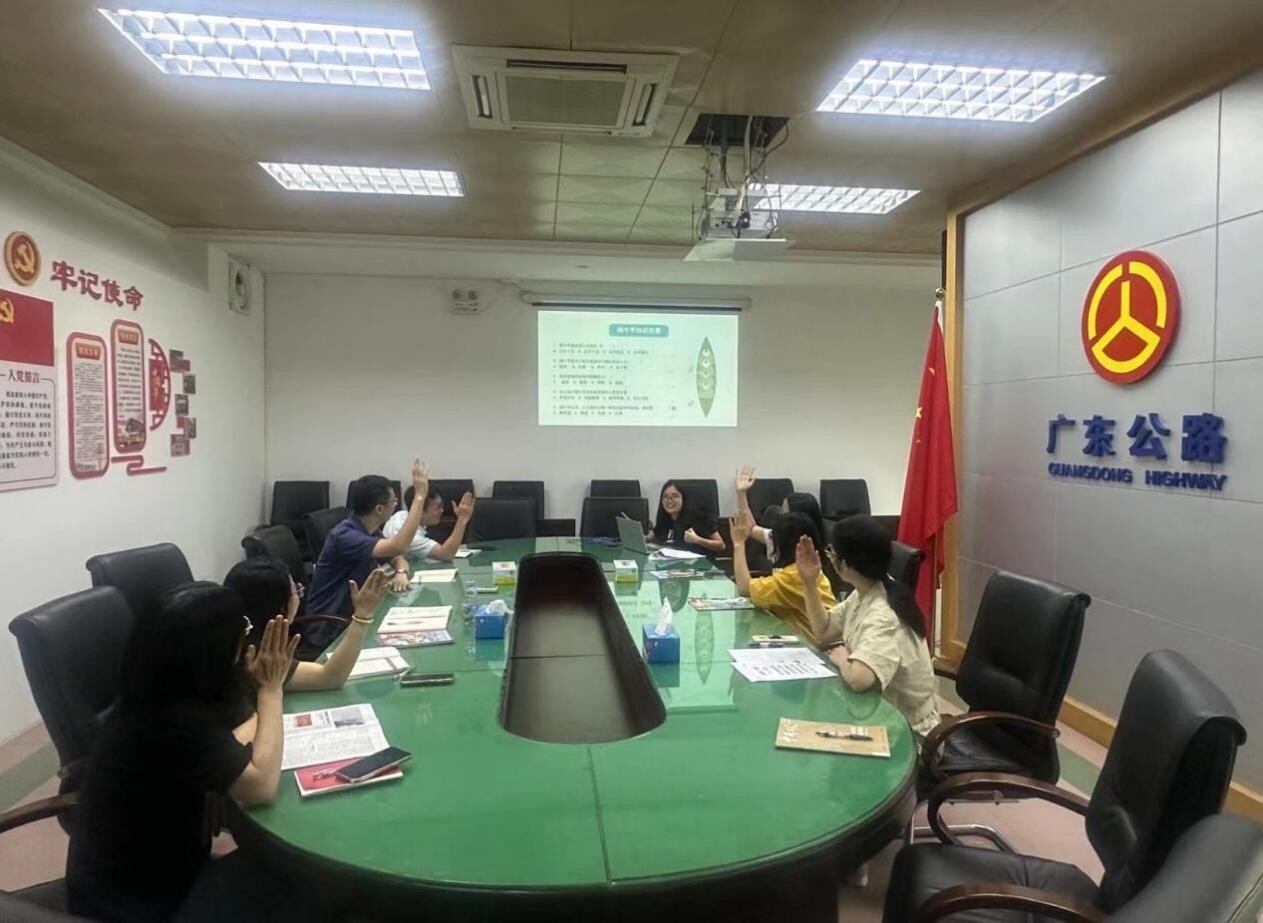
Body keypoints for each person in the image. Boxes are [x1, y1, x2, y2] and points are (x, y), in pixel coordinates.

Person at [67, 583, 301, 922]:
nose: (245, 637)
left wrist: (248, 687)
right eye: (243, 629)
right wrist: (271, 690)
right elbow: (260, 786)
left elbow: (238, 732)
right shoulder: (172, 723)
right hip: (141, 905)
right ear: (216, 651)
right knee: (303, 882)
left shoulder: (158, 692)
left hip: (155, 874)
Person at [797, 515, 940, 738]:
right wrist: (808, 582)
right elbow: (823, 631)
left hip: (909, 735)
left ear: (847, 565)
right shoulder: (866, 592)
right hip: (876, 715)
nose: (829, 557)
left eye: (832, 552)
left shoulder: (884, 614)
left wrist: (843, 659)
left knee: (808, 736)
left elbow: (859, 679)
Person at [224, 558, 388, 725]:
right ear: (281, 606)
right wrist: (362, 615)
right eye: (296, 591)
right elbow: (330, 678)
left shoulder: (233, 639)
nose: (299, 595)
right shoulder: (260, 654)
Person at [305, 460, 429, 640]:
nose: (396, 505)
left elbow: (396, 555)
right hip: (331, 627)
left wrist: (401, 572)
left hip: (357, 615)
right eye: (394, 501)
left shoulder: (368, 530)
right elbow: (398, 546)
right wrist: (419, 497)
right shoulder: (345, 536)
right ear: (379, 509)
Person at [729, 508, 836, 641]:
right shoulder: (806, 569)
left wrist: (738, 544)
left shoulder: (792, 576)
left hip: (814, 646)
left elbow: (745, 588)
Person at [382, 484, 475, 562]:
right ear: (420, 509)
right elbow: (446, 555)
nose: (442, 510)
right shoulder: (411, 537)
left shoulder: (401, 515)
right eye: (438, 507)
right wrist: (461, 521)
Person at [650, 480, 724, 554]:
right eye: (666, 497)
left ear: (683, 499)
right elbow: (653, 536)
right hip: (673, 559)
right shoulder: (664, 520)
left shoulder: (698, 517)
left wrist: (697, 540)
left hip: (699, 560)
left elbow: (721, 545)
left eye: (675, 496)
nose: (669, 501)